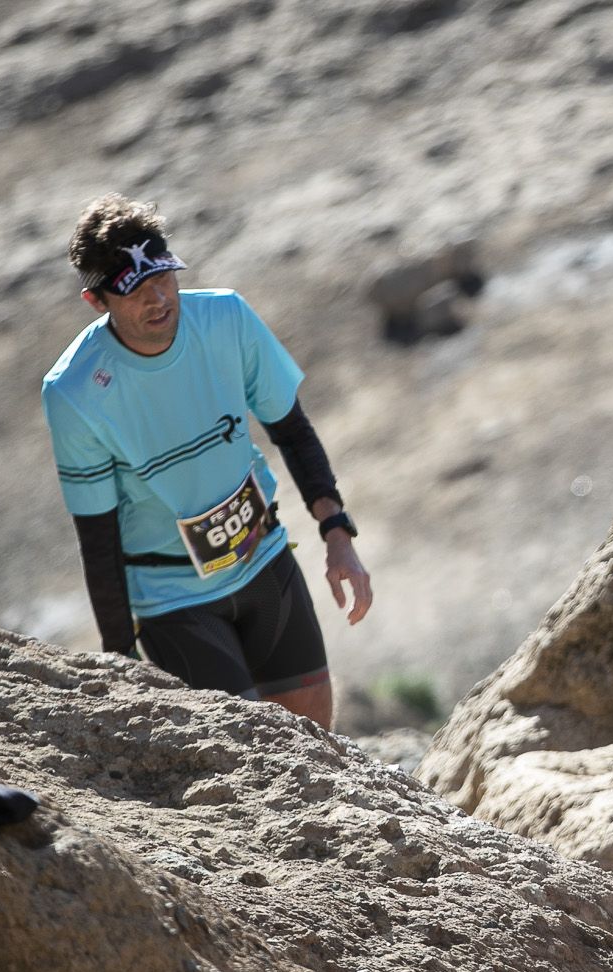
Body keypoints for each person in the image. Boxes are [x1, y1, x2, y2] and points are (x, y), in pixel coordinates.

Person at [41, 194, 371, 727]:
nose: (158, 297)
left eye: (164, 277)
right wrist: (119, 658)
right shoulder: (75, 392)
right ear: (96, 301)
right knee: (248, 761)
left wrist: (337, 534)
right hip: (174, 599)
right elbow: (97, 536)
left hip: (263, 559)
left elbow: (292, 430)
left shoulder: (226, 318)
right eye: (134, 288)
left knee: (314, 738)